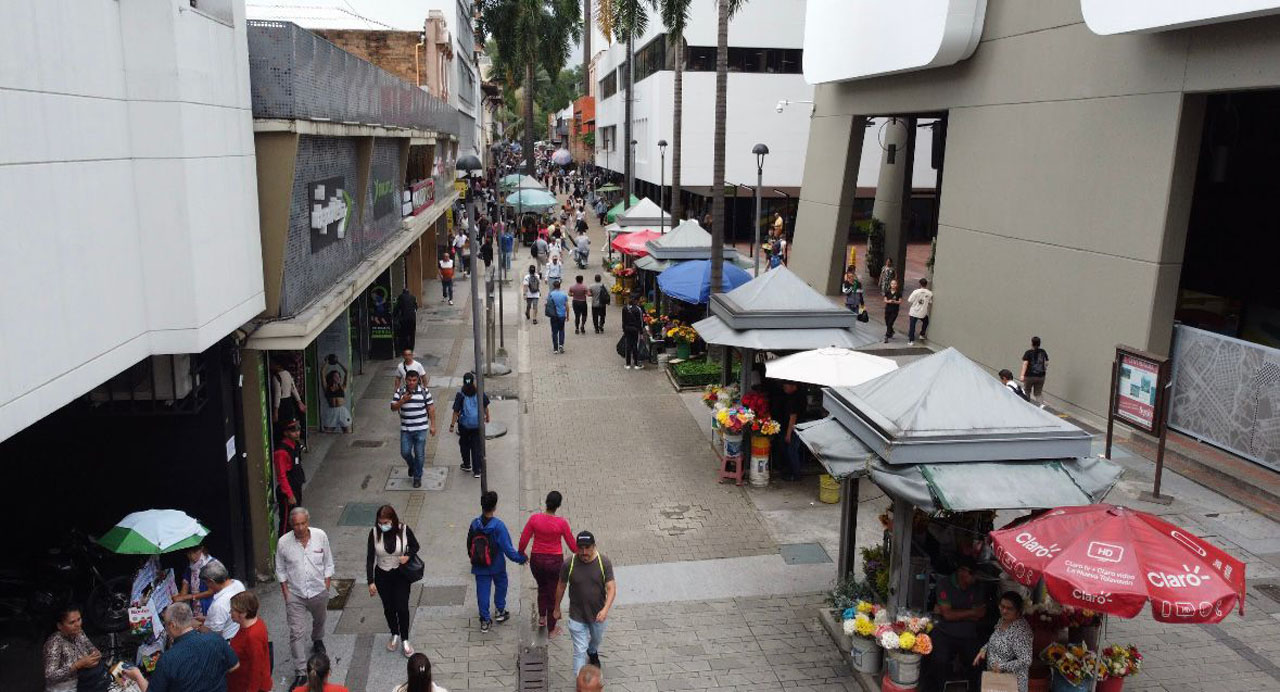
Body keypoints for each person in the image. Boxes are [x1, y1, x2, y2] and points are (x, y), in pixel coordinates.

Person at [275, 507, 335, 691]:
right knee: (296, 632)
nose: (300, 528)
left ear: (307, 522)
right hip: (295, 593)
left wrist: (326, 583)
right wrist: (286, 592)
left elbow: (328, 562)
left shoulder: (320, 536)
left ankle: (317, 639)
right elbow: (280, 569)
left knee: (320, 620)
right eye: (296, 525)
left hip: (318, 590)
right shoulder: (283, 543)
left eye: (303, 523)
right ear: (291, 525)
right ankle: (301, 672)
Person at [134, 603, 240, 692]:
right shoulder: (216, 639)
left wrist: (137, 675)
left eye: (165, 624)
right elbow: (234, 666)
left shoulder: (168, 659)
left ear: (172, 625)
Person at [553, 531, 616, 677]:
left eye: (587, 548)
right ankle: (580, 683)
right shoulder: (569, 564)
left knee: (596, 640)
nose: (584, 552)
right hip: (577, 616)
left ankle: (593, 652)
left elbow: (611, 588)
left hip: (598, 615)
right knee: (579, 651)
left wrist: (605, 609)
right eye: (580, 548)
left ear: (594, 546)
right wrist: (556, 608)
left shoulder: (603, 562)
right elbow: (561, 586)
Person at [44, 606, 146, 692]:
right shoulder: (54, 643)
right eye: (72, 622)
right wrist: (78, 665)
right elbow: (50, 675)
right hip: (70, 687)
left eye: (79, 619)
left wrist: (96, 654)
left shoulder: (78, 632)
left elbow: (91, 648)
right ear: (59, 626)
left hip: (92, 677)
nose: (77, 624)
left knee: (130, 677)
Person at [519, 491, 578, 636]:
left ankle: (542, 618)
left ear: (546, 502)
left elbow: (523, 539)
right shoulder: (562, 523)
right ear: (558, 506)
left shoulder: (534, 519)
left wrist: (522, 553)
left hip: (537, 560)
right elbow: (572, 546)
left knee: (542, 588)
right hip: (554, 562)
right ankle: (552, 628)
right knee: (553, 593)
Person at [468, 491, 527, 633]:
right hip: (497, 565)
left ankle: (485, 620)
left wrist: (475, 559)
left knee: (482, 591)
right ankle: (500, 610)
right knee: (501, 585)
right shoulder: (498, 526)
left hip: (479, 565)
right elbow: (508, 549)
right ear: (494, 507)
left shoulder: (474, 524)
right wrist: (521, 558)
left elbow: (469, 543)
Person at [923, 559, 987, 692]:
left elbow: (979, 614)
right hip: (944, 631)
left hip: (968, 633)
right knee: (939, 661)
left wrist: (954, 613)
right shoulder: (944, 583)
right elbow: (947, 615)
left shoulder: (977, 586)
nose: (975, 577)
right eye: (972, 574)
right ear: (962, 572)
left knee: (978, 660)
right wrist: (969, 613)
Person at [367, 504, 420, 657]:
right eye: (380, 523)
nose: (383, 525)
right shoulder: (374, 533)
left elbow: (415, 546)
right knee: (389, 607)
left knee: (402, 607)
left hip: (401, 574)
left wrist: (408, 556)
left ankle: (405, 639)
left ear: (392, 520)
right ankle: (394, 633)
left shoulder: (403, 530)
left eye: (386, 522)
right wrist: (371, 581)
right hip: (382, 575)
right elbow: (370, 558)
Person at [975, 592, 1033, 692]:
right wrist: (984, 649)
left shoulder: (1022, 631)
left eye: (1009, 608)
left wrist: (1002, 666)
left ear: (1018, 610)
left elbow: (1026, 660)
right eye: (1002, 606)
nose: (1004, 611)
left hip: (1012, 683)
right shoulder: (1002, 620)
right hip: (996, 677)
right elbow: (996, 639)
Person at [391, 370, 437, 488]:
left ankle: (417, 477)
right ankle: (412, 466)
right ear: (405, 380)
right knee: (405, 452)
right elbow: (393, 407)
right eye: (409, 380)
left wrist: (433, 425)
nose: (411, 382)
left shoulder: (424, 392)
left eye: (414, 380)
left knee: (419, 454)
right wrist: (403, 400)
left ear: (418, 380)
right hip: (406, 429)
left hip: (421, 429)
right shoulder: (400, 392)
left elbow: (431, 408)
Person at [226, 592, 272, 692]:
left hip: (246, 685)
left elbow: (257, 667)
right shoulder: (256, 623)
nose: (230, 612)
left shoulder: (252, 636)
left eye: (233, 610)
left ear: (243, 613)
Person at [449, 372, 490, 479]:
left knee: (464, 444)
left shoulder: (461, 394)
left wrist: (452, 425)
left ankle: (467, 464)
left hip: (464, 425)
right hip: (477, 424)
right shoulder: (479, 392)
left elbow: (456, 411)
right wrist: (487, 416)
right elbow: (485, 405)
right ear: (473, 381)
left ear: (463, 381)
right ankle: (477, 470)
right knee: (476, 446)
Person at [198, 560, 246, 640]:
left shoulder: (219, 604)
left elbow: (215, 633)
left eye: (206, 583)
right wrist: (208, 618)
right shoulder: (238, 584)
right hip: (237, 633)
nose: (206, 586)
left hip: (227, 641)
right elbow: (225, 616)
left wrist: (199, 627)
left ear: (211, 581)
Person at [274, 420, 305, 536]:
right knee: (287, 521)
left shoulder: (295, 445)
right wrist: (289, 494)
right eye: (293, 431)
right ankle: (282, 546)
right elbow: (281, 476)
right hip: (288, 491)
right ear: (286, 433)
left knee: (296, 517)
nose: (297, 433)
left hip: (296, 486)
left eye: (298, 430)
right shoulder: (281, 452)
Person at [774, 382, 806, 481]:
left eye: (786, 386)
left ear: (793, 386)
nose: (784, 387)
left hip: (793, 429)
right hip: (797, 427)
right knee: (791, 451)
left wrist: (788, 434)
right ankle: (791, 472)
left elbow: (793, 417)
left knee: (792, 451)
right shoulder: (799, 395)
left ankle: (795, 475)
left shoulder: (794, 399)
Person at [175, 542, 216, 617]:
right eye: (189, 554)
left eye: (194, 552)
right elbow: (185, 586)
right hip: (195, 608)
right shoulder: (190, 567)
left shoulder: (212, 565)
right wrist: (179, 598)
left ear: (201, 549)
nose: (192, 556)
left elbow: (212, 591)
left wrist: (187, 597)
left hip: (210, 607)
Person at [271, 360, 305, 426]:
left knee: (281, 424)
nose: (271, 365)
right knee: (289, 423)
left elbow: (277, 395)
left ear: (278, 365)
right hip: (289, 402)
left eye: (272, 363)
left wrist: (275, 411)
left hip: (281, 404)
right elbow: (293, 388)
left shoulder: (276, 377)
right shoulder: (287, 373)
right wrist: (299, 401)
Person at [1020, 336, 1049, 406]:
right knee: (1038, 393)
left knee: (1027, 391)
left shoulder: (1028, 352)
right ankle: (1042, 406)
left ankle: (1026, 406)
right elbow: (1047, 363)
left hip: (1029, 376)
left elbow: (1025, 364)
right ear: (1039, 343)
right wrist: (1044, 370)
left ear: (1031, 343)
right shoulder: (1043, 352)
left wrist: (1022, 375)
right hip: (1041, 376)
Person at [907, 277, 933, 346]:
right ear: (926, 284)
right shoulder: (930, 293)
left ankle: (911, 340)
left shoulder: (915, 292)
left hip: (913, 312)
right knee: (926, 321)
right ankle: (922, 334)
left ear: (920, 284)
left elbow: (909, 300)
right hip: (922, 313)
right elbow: (930, 301)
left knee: (912, 326)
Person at [620, 295, 643, 369]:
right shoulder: (638, 309)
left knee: (628, 345)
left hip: (627, 329)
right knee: (635, 345)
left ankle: (628, 364)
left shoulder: (624, 308)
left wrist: (624, 329)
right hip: (635, 330)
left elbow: (623, 320)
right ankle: (636, 364)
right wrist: (641, 331)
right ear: (636, 301)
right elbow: (640, 322)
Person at [392, 287, 418, 353]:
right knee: (412, 334)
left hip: (404, 319)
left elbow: (397, 308)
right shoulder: (413, 297)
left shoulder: (401, 297)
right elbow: (416, 307)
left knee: (404, 333)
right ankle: (411, 348)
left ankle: (405, 348)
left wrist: (393, 315)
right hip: (412, 319)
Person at [547, 279, 569, 354]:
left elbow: (547, 304)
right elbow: (567, 306)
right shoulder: (563, 294)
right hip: (562, 315)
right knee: (561, 330)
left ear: (553, 286)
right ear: (560, 286)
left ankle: (555, 348)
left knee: (554, 332)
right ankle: (561, 345)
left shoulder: (551, 294)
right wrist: (567, 315)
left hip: (553, 316)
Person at [883, 279, 902, 343]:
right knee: (887, 322)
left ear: (897, 285)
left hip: (894, 310)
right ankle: (891, 331)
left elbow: (900, 301)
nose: (893, 285)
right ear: (890, 285)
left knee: (890, 322)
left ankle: (887, 336)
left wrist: (895, 301)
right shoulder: (887, 292)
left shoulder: (898, 293)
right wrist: (889, 301)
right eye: (892, 284)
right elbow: (885, 300)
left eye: (895, 284)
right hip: (888, 309)